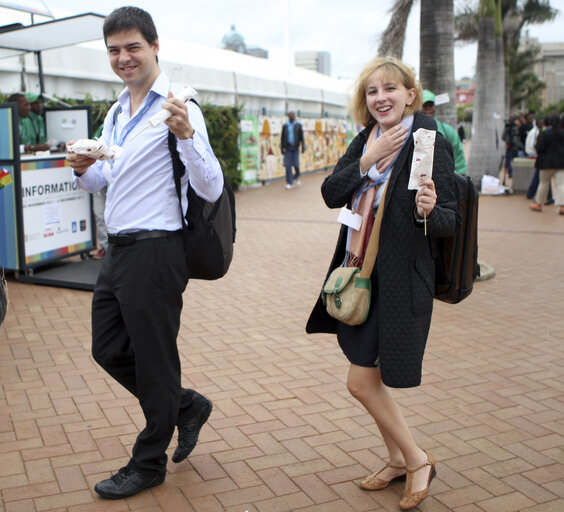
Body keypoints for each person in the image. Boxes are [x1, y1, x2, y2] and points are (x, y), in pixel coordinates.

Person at [66, 6, 223, 499]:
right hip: (119, 251)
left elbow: (212, 186)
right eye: (114, 50)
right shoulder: (117, 111)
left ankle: (149, 461)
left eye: (133, 47)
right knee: (107, 347)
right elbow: (107, 179)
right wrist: (80, 168)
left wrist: (186, 136)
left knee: (154, 360)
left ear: (155, 46)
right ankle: (185, 406)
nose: (123, 57)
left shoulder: (180, 106)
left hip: (157, 251)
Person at [306, 56, 457, 511]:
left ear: (410, 94)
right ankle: (395, 459)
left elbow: (451, 218)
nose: (380, 98)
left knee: (360, 381)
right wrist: (368, 161)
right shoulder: (366, 138)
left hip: (395, 281)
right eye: (372, 91)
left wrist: (430, 209)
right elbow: (332, 191)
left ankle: (416, 459)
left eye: (390, 88)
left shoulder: (427, 140)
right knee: (364, 373)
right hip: (358, 275)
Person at [421, 90, 467, 174]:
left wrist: (458, 177)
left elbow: (459, 157)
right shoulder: (412, 131)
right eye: (424, 106)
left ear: (434, 107)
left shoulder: (447, 130)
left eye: (430, 105)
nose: (428, 109)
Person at [529, 113, 564, 215]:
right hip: (561, 163)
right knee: (561, 185)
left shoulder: (546, 133)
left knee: (543, 184)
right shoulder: (563, 133)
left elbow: (539, 148)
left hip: (546, 163)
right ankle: (562, 206)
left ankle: (539, 204)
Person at [281, 111, 305, 189]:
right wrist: (282, 148)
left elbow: (301, 137)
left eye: (294, 114)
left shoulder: (298, 125)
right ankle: (289, 183)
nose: (293, 116)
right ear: (288, 116)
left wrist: (303, 146)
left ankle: (297, 176)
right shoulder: (285, 126)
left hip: (295, 148)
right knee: (288, 165)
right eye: (291, 114)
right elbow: (282, 137)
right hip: (287, 148)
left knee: (296, 165)